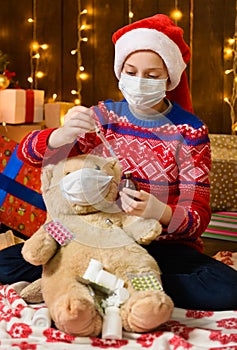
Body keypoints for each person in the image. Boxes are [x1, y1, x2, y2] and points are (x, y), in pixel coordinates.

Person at [1, 13, 237, 310]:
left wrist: (160, 211)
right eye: (131, 71)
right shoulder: (103, 117)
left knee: (228, 289)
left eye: (152, 75)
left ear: (169, 78)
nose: (140, 81)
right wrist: (59, 136)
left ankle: (107, 282)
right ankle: (117, 283)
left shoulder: (190, 132)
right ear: (120, 72)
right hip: (86, 236)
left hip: (161, 246)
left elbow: (197, 219)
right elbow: (28, 156)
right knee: (6, 265)